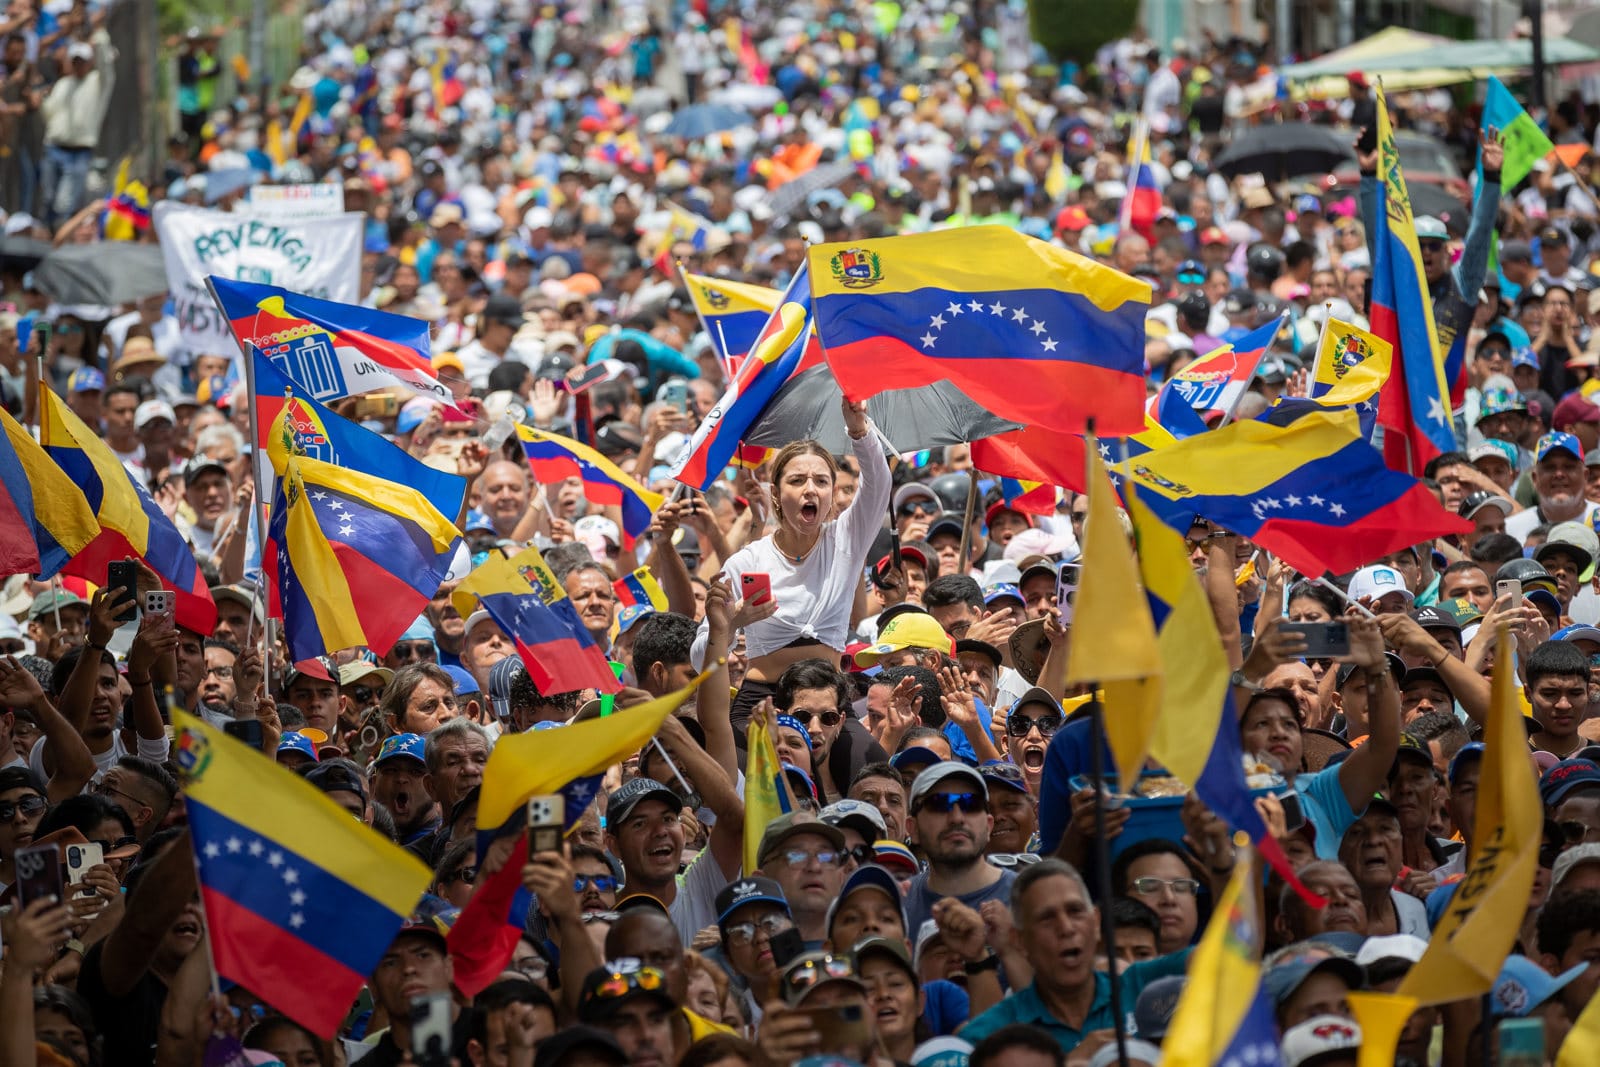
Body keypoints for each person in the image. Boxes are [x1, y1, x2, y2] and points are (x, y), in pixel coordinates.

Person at [713, 398, 891, 732]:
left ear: (832, 493)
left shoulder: (846, 540)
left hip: (828, 705)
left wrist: (859, 431)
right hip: (762, 702)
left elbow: (879, 486)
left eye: (821, 481)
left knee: (872, 775)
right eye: (797, 481)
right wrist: (733, 622)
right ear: (776, 494)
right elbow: (701, 652)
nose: (810, 489)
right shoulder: (746, 561)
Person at [958, 859, 1186, 1054]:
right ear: (1020, 941)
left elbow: (1217, 958)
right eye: (1047, 918)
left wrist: (1221, 866)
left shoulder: (1142, 983)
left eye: (1075, 911)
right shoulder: (987, 1037)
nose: (1066, 928)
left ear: (1096, 924)